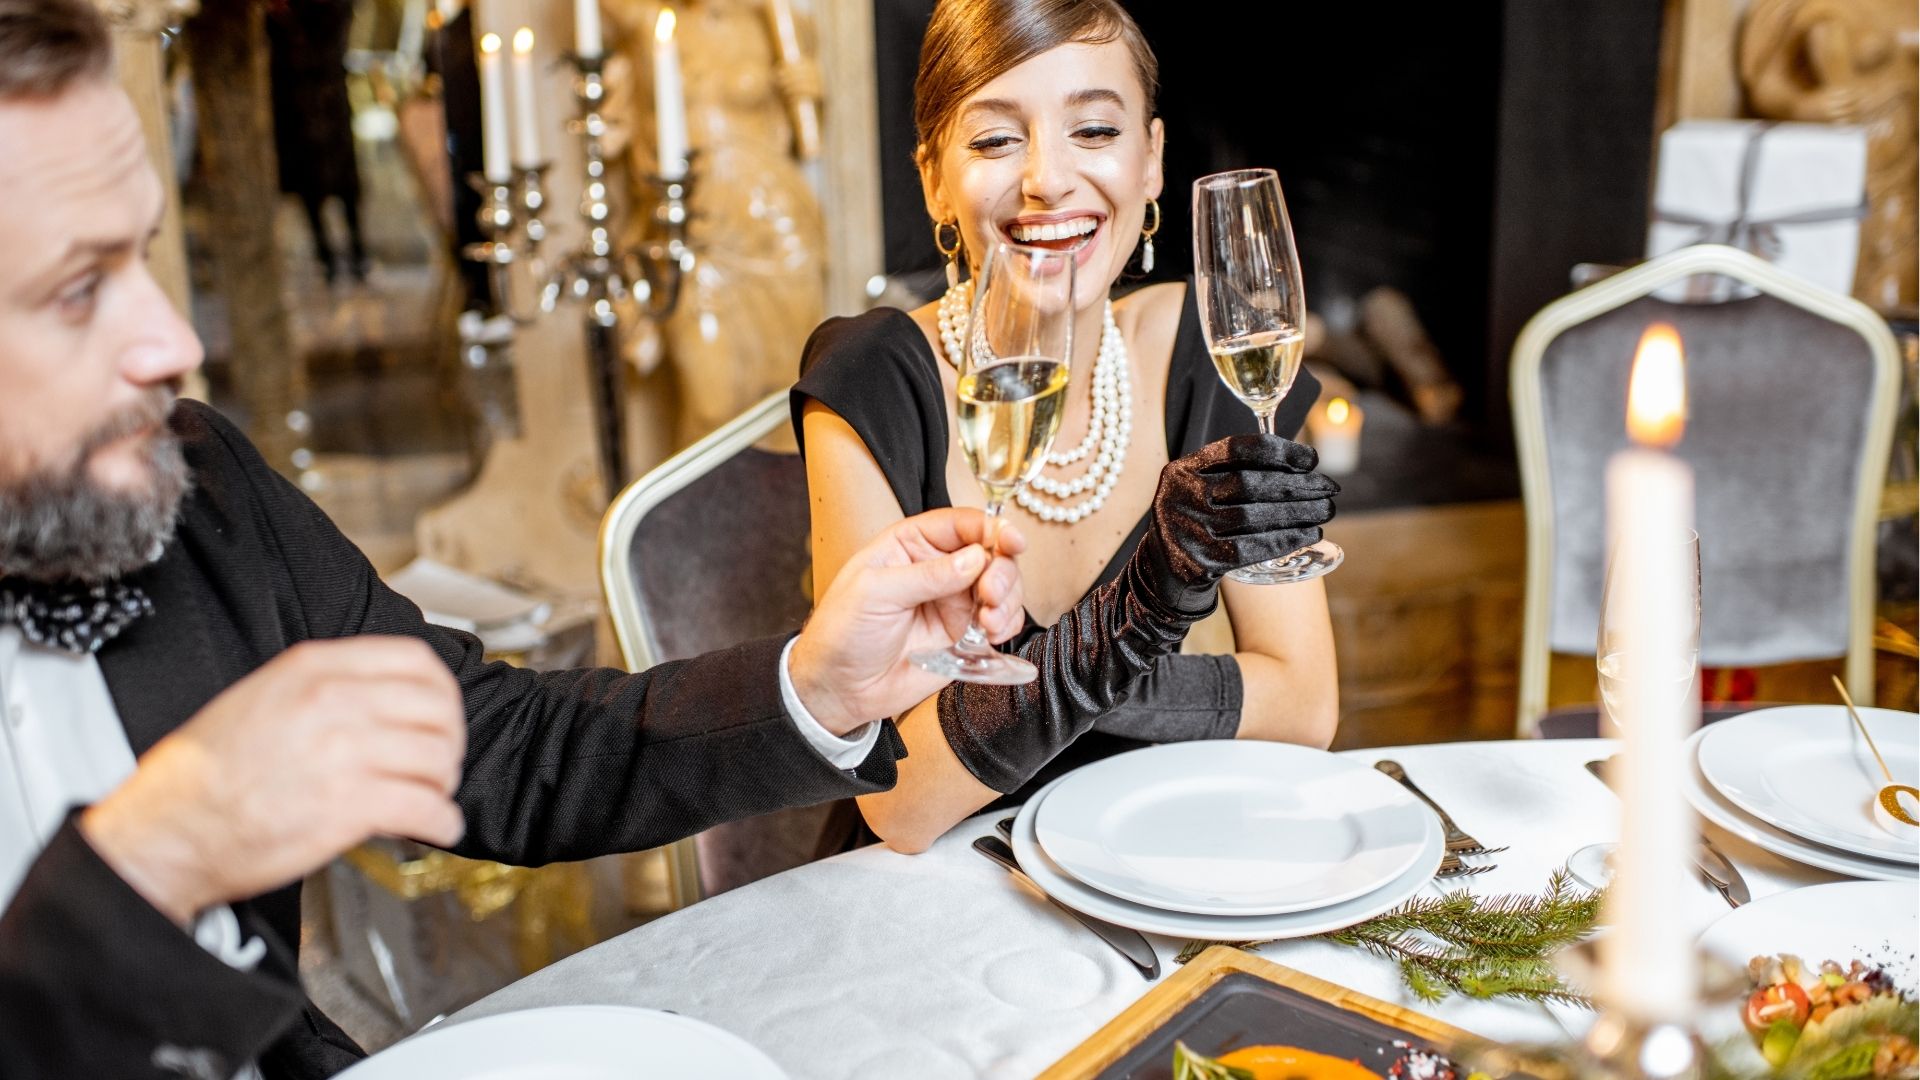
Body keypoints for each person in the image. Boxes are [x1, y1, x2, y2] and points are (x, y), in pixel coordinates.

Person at [0, 2, 1321, 1075]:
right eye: (77, 287)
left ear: (1152, 160)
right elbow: (921, 797)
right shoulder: (881, 372)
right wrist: (148, 868)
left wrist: (811, 689)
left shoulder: (202, 498)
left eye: (147, 259)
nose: (174, 342)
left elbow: (504, 751)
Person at [794, 0, 1340, 852]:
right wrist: (1139, 625)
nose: (1049, 179)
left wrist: (1042, 689)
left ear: (1152, 160)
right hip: (934, 891)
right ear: (934, 175)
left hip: (1152, 855)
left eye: (1093, 130)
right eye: (994, 140)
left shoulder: (1208, 348)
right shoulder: (873, 383)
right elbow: (901, 799)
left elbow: (1305, 705)